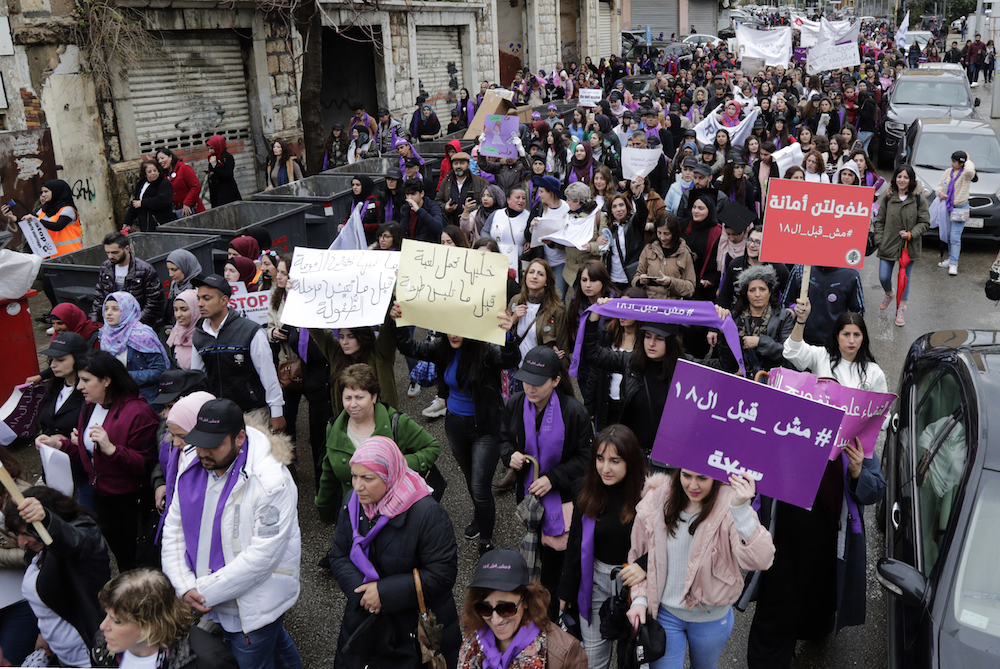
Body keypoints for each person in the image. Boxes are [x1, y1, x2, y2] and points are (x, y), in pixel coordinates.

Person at [747, 319, 886, 669]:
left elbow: (874, 491)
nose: (851, 339)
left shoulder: (856, 446)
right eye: (845, 333)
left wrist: (856, 471)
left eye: (857, 334)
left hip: (826, 534)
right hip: (784, 533)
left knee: (818, 589)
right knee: (778, 595)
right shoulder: (788, 432)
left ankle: (814, 627)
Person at [161, 398, 302, 669]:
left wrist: (199, 593)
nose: (202, 452)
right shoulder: (192, 462)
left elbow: (262, 557)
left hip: (251, 607)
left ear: (239, 438)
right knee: (278, 648)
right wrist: (184, 585)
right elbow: (174, 529)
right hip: (209, 597)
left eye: (213, 444)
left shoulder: (272, 482)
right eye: (199, 441)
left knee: (254, 655)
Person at [391, 301, 518, 553]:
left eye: (458, 328)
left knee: (481, 487)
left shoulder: (484, 351)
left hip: (485, 428)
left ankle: (487, 538)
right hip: (455, 426)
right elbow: (409, 346)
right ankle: (480, 517)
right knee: (472, 481)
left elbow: (509, 358)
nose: (452, 334)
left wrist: (508, 334)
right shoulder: (443, 347)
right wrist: (398, 321)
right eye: (448, 328)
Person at [328, 436, 460, 668]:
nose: (358, 486)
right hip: (364, 615)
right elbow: (338, 554)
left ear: (390, 476)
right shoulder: (353, 502)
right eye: (355, 476)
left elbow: (442, 574)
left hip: (412, 629)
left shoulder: (428, 514)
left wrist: (384, 593)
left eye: (368, 478)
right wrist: (364, 595)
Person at [626, 466, 774, 669]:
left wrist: (741, 511)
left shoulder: (731, 504)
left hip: (712, 617)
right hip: (665, 614)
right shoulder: (656, 499)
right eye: (686, 475)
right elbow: (640, 555)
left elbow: (761, 560)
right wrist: (640, 599)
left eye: (702, 478)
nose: (693, 485)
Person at [499, 346, 591, 612]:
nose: (530, 387)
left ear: (556, 381)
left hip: (561, 500)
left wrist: (553, 478)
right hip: (529, 496)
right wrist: (510, 456)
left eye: (538, 382)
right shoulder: (516, 403)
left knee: (554, 561)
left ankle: (553, 613)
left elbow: (586, 460)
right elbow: (503, 439)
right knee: (534, 550)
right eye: (527, 379)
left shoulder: (574, 412)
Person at [557, 425, 648, 668]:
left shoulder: (648, 496)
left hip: (635, 588)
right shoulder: (585, 490)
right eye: (600, 458)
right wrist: (565, 592)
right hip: (594, 582)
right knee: (594, 659)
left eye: (614, 461)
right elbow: (575, 543)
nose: (605, 468)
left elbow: (664, 544)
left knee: (631, 661)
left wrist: (644, 565)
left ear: (630, 461)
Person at [315, 363, 441, 522]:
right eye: (348, 398)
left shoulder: (397, 423)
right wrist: (324, 508)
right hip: (354, 516)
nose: (353, 404)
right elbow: (329, 473)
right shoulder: (334, 428)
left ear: (374, 397)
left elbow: (432, 447)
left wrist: (398, 465)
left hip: (394, 515)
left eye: (359, 397)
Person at [4, 486, 111, 668]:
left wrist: (46, 521)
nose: (21, 542)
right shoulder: (37, 550)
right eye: (18, 535)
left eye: (26, 532)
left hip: (89, 658)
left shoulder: (83, 537)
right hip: (65, 659)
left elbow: (73, 543)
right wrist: (44, 633)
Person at [458, 549, 587, 668]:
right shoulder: (472, 641)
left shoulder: (564, 652)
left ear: (525, 600)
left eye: (506, 608)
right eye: (484, 608)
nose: (496, 620)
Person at [188, 275, 286, 433]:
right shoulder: (199, 335)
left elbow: (268, 375)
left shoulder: (250, 331)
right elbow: (197, 378)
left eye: (206, 298)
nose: (200, 304)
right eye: (198, 298)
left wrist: (277, 412)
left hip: (252, 413)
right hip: (218, 414)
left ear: (224, 300)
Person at [267, 255, 331, 487]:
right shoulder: (275, 298)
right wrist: (273, 333)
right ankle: (289, 461)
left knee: (319, 421)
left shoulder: (308, 297)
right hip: (288, 366)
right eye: (280, 273)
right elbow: (269, 325)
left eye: (285, 273)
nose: (280, 277)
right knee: (288, 417)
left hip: (310, 367)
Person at [94, 567, 238, 668]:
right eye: (107, 615)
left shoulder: (209, 661)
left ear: (152, 625)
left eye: (117, 621)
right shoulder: (103, 644)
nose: (103, 626)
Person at [1, 178, 82, 305]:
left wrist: (37, 220)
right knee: (48, 286)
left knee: (67, 288)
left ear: (56, 192)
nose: (43, 195)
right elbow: (31, 226)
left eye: (46, 191)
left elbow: (58, 226)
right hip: (49, 255)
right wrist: (13, 218)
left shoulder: (68, 210)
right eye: (41, 192)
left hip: (68, 256)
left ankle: (69, 312)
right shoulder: (43, 210)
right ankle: (55, 312)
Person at [874, 164, 930, 327]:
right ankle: (889, 294)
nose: (902, 180)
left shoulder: (919, 198)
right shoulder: (888, 196)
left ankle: (901, 309)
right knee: (884, 276)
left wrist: (911, 234)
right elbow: (879, 221)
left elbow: (925, 222)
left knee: (905, 279)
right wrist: (879, 239)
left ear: (911, 180)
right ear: (895, 178)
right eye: (899, 176)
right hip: (888, 244)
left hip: (908, 246)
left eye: (906, 177)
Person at [100, 292, 170, 403]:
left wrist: (124, 376)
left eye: (115, 309)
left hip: (142, 398)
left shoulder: (142, 335)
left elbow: (159, 370)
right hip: (114, 396)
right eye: (106, 308)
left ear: (127, 310)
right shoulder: (104, 334)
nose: (108, 313)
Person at [508, 259, 570, 380]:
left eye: (540, 274)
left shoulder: (557, 310)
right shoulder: (515, 301)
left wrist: (558, 361)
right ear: (525, 277)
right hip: (517, 372)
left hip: (541, 375)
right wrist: (513, 319)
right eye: (531, 272)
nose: (534, 276)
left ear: (547, 282)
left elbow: (564, 351)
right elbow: (501, 336)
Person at [90, 231, 164, 328]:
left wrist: (135, 325)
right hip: (113, 324)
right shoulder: (106, 267)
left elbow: (154, 303)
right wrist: (94, 322)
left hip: (138, 327)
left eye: (114, 252)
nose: (110, 256)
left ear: (127, 249)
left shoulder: (145, 270)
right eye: (107, 252)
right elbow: (99, 296)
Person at [732, 264, 794, 376]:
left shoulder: (783, 317)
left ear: (770, 292)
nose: (757, 294)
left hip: (769, 376)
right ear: (746, 294)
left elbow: (788, 353)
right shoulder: (735, 316)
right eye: (752, 290)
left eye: (762, 289)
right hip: (738, 375)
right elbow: (727, 354)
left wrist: (760, 342)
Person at [634, 213, 696, 299]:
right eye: (659, 233)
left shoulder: (684, 253)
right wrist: (640, 280)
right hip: (650, 302)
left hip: (673, 304)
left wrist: (671, 282)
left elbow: (690, 288)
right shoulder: (648, 249)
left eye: (666, 234)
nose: (662, 237)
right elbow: (635, 279)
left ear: (674, 233)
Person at [934, 150, 976, 276]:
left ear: (961, 163)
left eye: (954, 161)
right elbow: (939, 186)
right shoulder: (948, 172)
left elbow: (970, 171)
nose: (952, 163)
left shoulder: (966, 174)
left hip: (960, 207)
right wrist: (940, 193)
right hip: (947, 206)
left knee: (955, 237)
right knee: (947, 234)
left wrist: (968, 159)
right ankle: (950, 259)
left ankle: (954, 263)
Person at [485, 187, 530, 280]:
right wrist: (488, 244)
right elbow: (485, 231)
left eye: (524, 198)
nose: (521, 201)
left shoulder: (529, 217)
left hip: (518, 263)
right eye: (517, 197)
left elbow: (534, 237)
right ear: (508, 199)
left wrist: (530, 243)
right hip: (494, 259)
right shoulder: (496, 214)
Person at [122, 159, 175, 233]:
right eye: (149, 172)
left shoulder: (164, 184)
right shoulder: (141, 184)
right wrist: (127, 221)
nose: (153, 173)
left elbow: (163, 200)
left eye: (155, 170)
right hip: (145, 224)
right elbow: (135, 204)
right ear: (145, 174)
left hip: (161, 223)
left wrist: (142, 203)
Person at [438, 152, 487, 227]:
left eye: (462, 163)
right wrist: (445, 208)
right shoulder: (446, 181)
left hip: (473, 225)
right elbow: (438, 201)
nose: (458, 166)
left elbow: (486, 204)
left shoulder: (480, 182)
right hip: (451, 225)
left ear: (468, 165)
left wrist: (470, 210)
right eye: (456, 163)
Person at [155, 148, 205, 217]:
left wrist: (187, 203)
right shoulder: (164, 175)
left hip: (191, 210)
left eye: (162, 158)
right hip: (176, 213)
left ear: (170, 157)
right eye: (158, 160)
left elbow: (195, 187)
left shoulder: (184, 168)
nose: (160, 161)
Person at [164, 249, 202, 330]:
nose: (170, 274)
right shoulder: (174, 286)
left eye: (174, 270)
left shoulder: (200, 287)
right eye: (169, 270)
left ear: (186, 267)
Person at [402, 177, 446, 242]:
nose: (409, 198)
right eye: (407, 194)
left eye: (413, 194)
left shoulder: (432, 206)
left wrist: (419, 211)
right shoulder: (405, 209)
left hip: (428, 246)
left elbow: (438, 227)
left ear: (422, 194)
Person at [166, 289, 200, 369]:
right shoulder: (175, 334)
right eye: (175, 310)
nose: (178, 315)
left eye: (184, 310)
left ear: (196, 310)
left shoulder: (207, 337)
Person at [205, 134, 242, 207]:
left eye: (211, 148)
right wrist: (210, 174)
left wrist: (215, 166)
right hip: (216, 193)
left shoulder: (228, 157)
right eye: (208, 149)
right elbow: (214, 172)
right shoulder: (213, 157)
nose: (210, 151)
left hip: (227, 194)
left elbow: (227, 174)